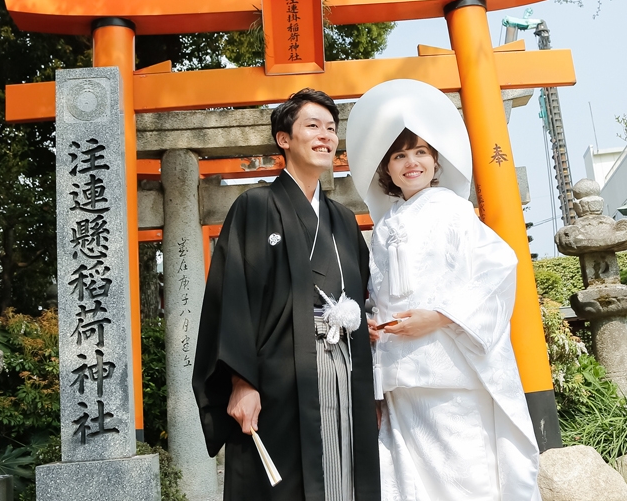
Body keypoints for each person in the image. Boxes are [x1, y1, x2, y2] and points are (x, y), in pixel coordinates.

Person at [345, 79, 541, 501]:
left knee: (464, 473)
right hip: (401, 375)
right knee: (410, 478)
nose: (410, 163)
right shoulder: (384, 228)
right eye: (399, 155)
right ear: (387, 169)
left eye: (420, 153)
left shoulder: (454, 211)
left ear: (436, 161)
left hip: (448, 367)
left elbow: (498, 268)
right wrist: (374, 326)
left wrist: (439, 317)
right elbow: (379, 293)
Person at [193, 88, 381, 501]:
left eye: (331, 129)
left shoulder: (343, 220)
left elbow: (364, 291)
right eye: (312, 126)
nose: (325, 136)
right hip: (278, 377)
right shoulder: (256, 206)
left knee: (345, 471)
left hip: (344, 370)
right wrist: (242, 383)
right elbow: (233, 299)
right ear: (284, 139)